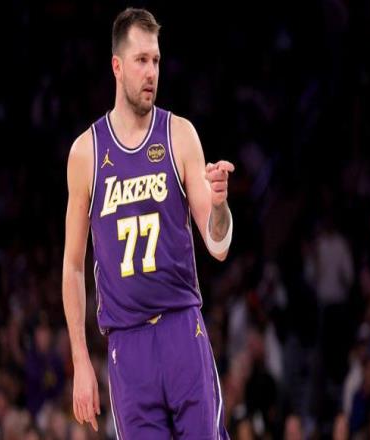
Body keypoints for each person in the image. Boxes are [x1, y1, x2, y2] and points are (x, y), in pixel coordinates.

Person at [62, 7, 234, 438]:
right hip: (127, 345)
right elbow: (72, 266)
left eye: (156, 60)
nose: (151, 72)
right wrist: (80, 360)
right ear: (117, 66)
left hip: (182, 328)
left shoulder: (180, 134)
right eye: (141, 60)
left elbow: (218, 245)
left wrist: (219, 206)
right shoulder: (86, 152)